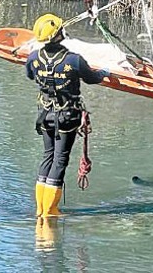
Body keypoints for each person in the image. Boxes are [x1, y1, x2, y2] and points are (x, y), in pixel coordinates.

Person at [26, 13, 109, 218]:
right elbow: (92, 78)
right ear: (57, 35)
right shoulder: (74, 60)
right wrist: (105, 71)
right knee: (60, 159)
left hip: (44, 114)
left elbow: (30, 74)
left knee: (48, 156)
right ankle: (51, 211)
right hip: (67, 115)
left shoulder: (33, 58)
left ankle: (41, 209)